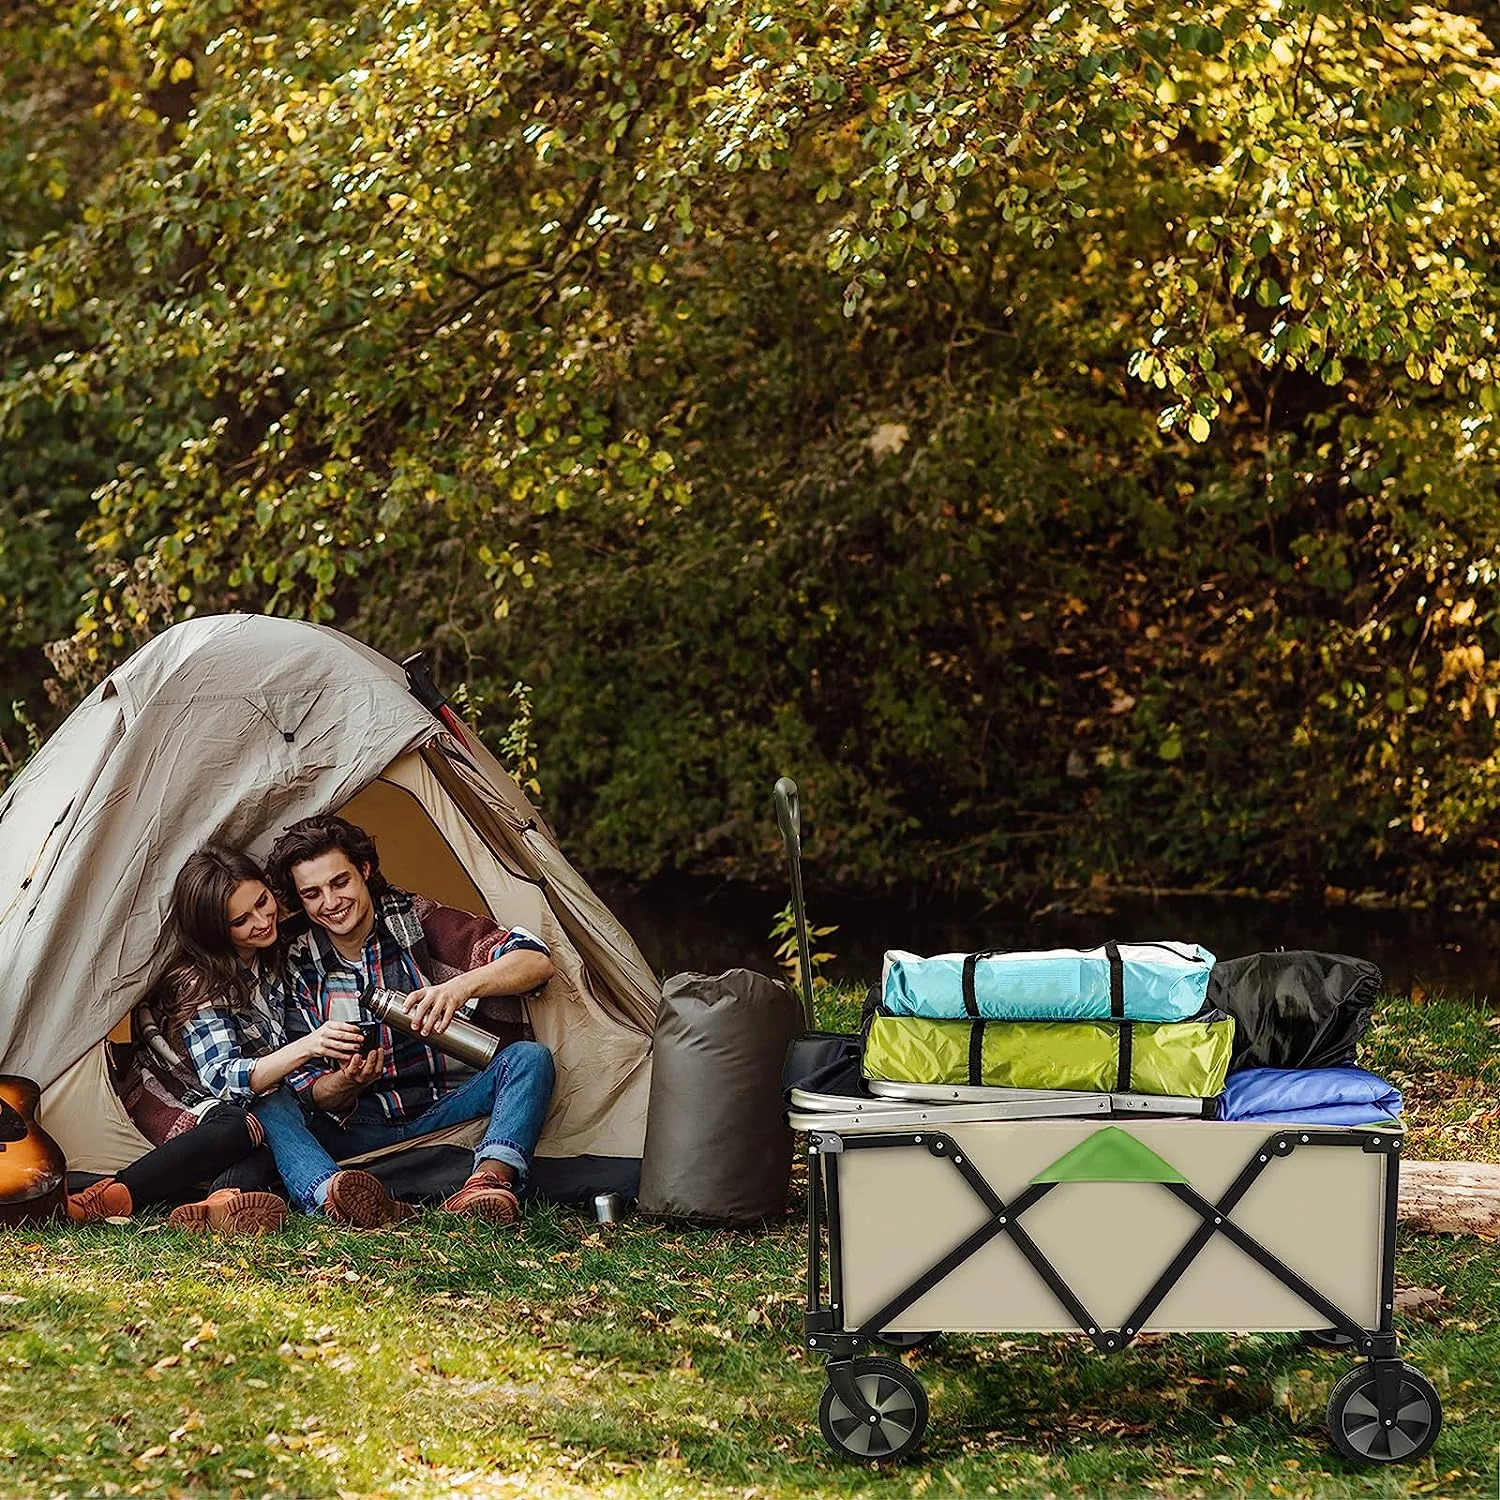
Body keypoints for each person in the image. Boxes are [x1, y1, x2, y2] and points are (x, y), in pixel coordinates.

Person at [248, 814, 556, 1228]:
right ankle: (336, 1198)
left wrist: (459, 988)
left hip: (444, 1108)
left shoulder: (414, 919)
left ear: (365, 870)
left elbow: (534, 961)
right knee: (266, 1100)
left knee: (529, 1059)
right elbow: (312, 1094)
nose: (331, 903)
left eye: (340, 883)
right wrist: (347, 1083)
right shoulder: (293, 957)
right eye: (313, 894)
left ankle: (487, 1184)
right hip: (355, 1126)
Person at [65, 846, 362, 1232]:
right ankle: (115, 1194)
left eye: (262, 901)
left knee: (273, 1134)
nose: (261, 920)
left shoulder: (273, 953)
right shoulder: (200, 980)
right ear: (217, 930)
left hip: (260, 1101)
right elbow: (224, 1078)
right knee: (243, 1127)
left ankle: (222, 1204)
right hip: (179, 1093)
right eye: (241, 920)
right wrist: (310, 1045)